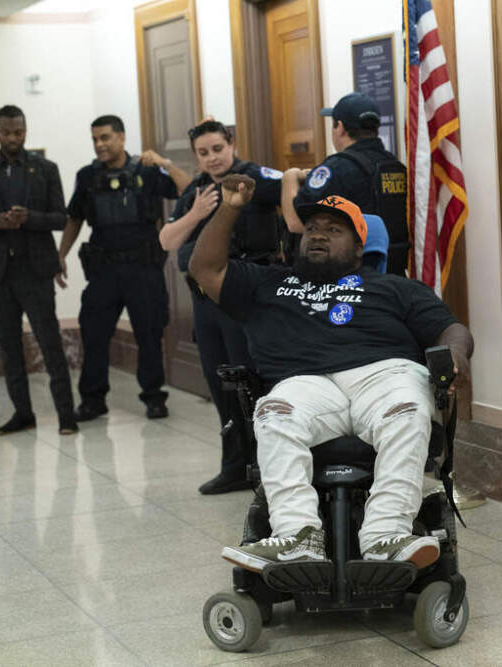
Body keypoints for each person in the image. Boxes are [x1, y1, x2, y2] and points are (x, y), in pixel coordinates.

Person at [188, 176, 472, 571]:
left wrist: (455, 355)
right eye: (311, 229)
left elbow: (451, 328)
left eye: (334, 230)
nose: (317, 236)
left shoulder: (394, 287)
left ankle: (386, 535)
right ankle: (296, 536)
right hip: (304, 383)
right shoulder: (269, 282)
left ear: (359, 247)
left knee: (407, 409)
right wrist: (230, 207)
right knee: (273, 414)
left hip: (383, 375)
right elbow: (204, 268)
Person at [160, 119, 286, 495]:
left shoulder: (256, 178)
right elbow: (167, 240)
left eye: (217, 149)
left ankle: (270, 470)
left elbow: (294, 194)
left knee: (254, 384)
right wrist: (197, 213)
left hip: (244, 296)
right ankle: (234, 467)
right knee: (220, 384)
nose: (212, 158)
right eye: (203, 153)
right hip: (205, 301)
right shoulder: (197, 191)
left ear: (232, 144)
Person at [57, 115, 190, 421]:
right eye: (95, 139)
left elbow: (187, 190)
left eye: (105, 138)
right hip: (103, 269)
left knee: (149, 333)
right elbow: (75, 217)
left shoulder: (147, 170)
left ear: (121, 137)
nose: (99, 144)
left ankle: (154, 397)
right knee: (94, 334)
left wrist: (165, 163)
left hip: (143, 268)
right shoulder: (87, 176)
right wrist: (61, 254)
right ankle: (92, 399)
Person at [0, 105, 77, 435]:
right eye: (7, 132)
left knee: (50, 344)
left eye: (19, 131)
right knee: (10, 348)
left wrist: (30, 218)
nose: (14, 138)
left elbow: (61, 217)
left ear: (26, 131)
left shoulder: (45, 169)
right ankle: (22, 414)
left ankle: (66, 417)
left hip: (35, 270)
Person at [280, 92, 409, 274]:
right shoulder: (396, 167)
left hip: (350, 280)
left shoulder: (336, 169)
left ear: (339, 127)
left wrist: (290, 177)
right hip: (393, 275)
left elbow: (296, 223)